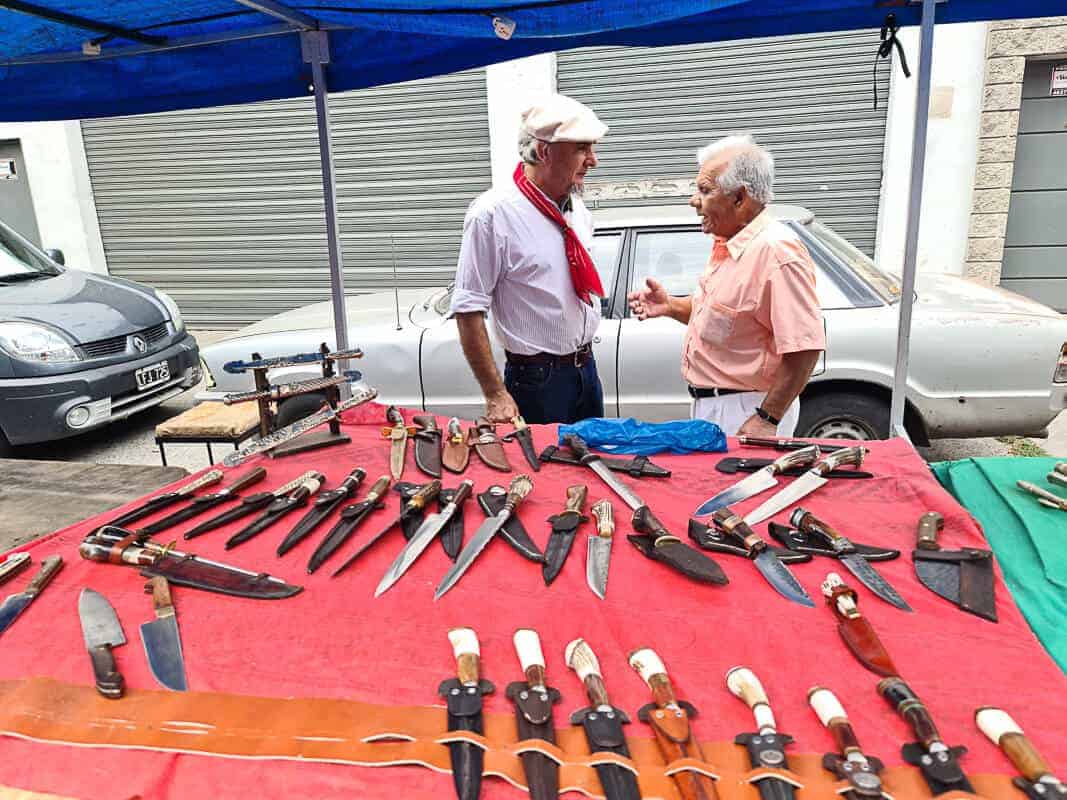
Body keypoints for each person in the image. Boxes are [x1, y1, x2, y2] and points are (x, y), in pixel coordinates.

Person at [626, 134, 825, 437]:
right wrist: (672, 306)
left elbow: (805, 347)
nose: (694, 201)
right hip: (717, 407)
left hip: (748, 411)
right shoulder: (729, 243)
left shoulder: (776, 252)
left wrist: (767, 419)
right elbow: (726, 316)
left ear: (739, 198)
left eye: (705, 191)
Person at [451, 94, 608, 424]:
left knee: (593, 467)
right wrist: (495, 394)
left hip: (585, 370)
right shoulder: (491, 215)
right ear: (545, 152)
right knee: (546, 474)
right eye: (582, 148)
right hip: (537, 381)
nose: (592, 160)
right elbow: (468, 310)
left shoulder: (576, 209)